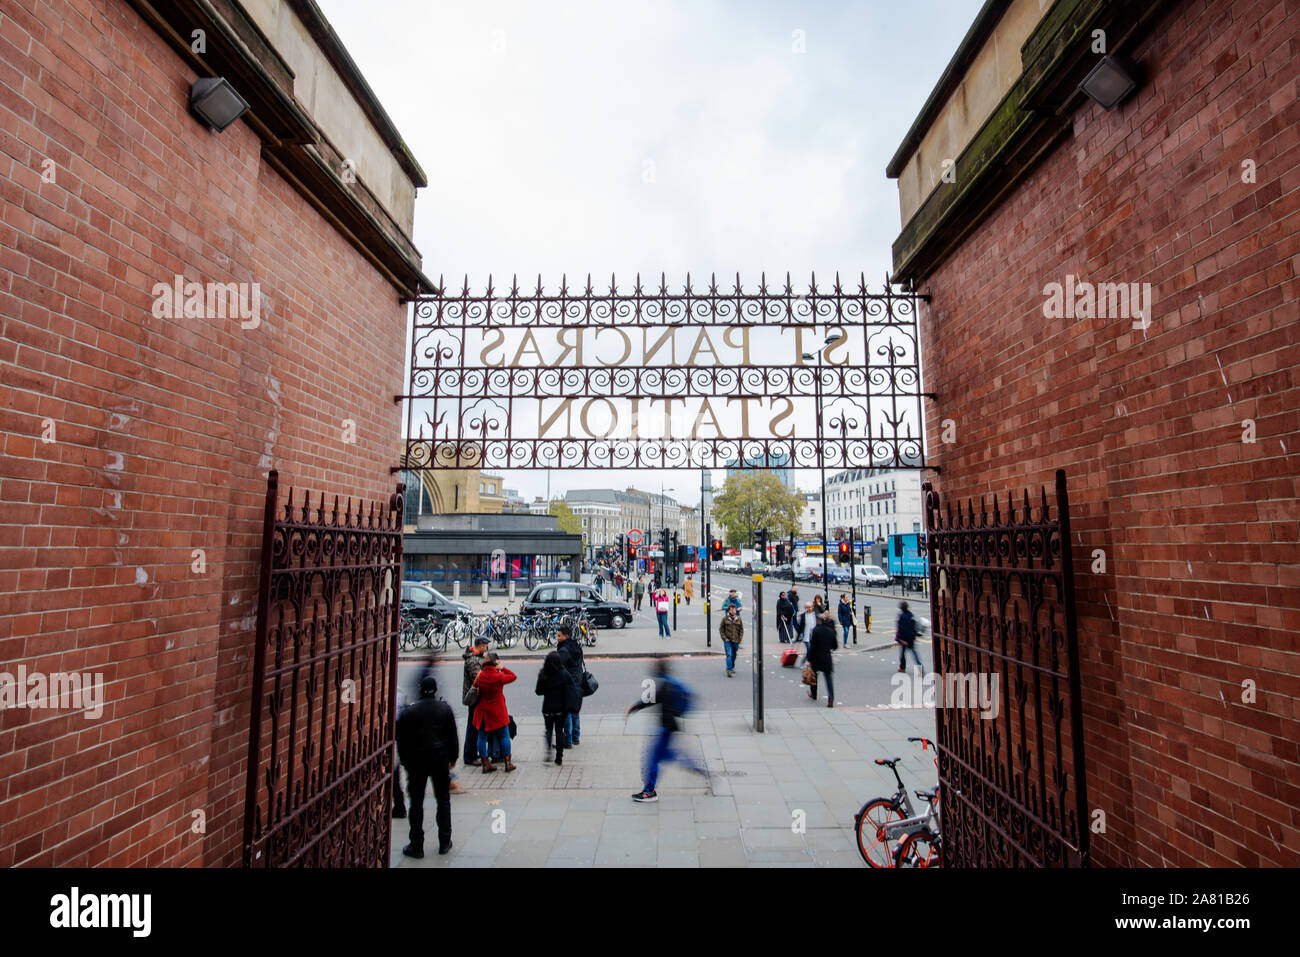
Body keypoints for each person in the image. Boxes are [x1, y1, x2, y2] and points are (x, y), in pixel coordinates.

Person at [625, 659, 707, 802]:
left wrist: (634, 708)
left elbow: (651, 700)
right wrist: (635, 707)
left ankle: (649, 792)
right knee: (666, 755)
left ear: (659, 670)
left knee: (653, 759)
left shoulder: (665, 686)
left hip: (666, 728)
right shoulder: (669, 683)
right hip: (669, 727)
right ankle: (692, 765)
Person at [396, 674, 458, 857]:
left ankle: (416, 844)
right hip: (439, 760)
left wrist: (406, 762)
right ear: (435, 690)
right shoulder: (444, 709)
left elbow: (402, 740)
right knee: (443, 800)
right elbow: (452, 736)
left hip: (417, 761)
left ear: (420, 690)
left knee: (416, 802)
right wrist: (452, 758)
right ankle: (445, 841)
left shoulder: (409, 712)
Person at [469, 653, 516, 773]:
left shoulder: (480, 675)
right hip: (498, 710)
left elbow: (474, 687)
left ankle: (485, 764)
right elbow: (513, 676)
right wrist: (502, 668)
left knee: (482, 737)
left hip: (483, 711)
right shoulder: (498, 676)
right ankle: (508, 763)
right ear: (495, 663)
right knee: (504, 736)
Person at [535, 651, 580, 766]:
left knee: (548, 730)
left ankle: (548, 751)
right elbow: (571, 687)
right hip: (561, 707)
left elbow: (538, 691)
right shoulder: (564, 673)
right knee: (559, 731)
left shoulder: (543, 674)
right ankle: (559, 757)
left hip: (548, 708)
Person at [461, 636, 489, 768]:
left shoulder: (476, 658)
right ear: (480, 645)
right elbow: (478, 678)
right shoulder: (473, 661)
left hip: (476, 698)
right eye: (485, 646)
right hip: (474, 699)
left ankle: (472, 753)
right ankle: (469, 756)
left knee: (474, 727)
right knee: (472, 728)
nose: (486, 648)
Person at [556, 624, 586, 745]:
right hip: (578, 679)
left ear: (566, 636)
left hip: (568, 682)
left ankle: (567, 739)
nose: (557, 637)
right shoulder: (576, 645)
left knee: (566, 710)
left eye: (559, 635)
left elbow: (558, 665)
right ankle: (576, 736)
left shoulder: (564, 649)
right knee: (575, 709)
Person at [806, 612, 838, 707]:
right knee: (828, 678)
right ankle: (831, 698)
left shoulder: (816, 631)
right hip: (827, 658)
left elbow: (812, 647)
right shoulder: (831, 631)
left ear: (818, 621)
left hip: (816, 658)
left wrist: (809, 659)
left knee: (814, 676)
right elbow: (835, 646)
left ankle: (814, 694)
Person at [896, 601, 923, 673]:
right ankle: (920, 667)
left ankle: (902, 668)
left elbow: (900, 629)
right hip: (911, 638)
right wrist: (915, 635)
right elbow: (914, 626)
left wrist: (900, 639)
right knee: (914, 653)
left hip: (904, 638)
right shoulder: (911, 615)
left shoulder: (901, 616)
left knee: (902, 655)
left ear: (901, 608)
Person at [719, 604, 743, 677]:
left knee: (734, 655)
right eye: (731, 609)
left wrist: (739, 639)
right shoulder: (725, 619)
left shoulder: (739, 619)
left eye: (734, 609)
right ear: (729, 610)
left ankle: (732, 666)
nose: (733, 611)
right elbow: (721, 629)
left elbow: (741, 630)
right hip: (727, 640)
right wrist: (724, 638)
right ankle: (729, 669)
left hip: (736, 640)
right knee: (729, 654)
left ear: (736, 611)